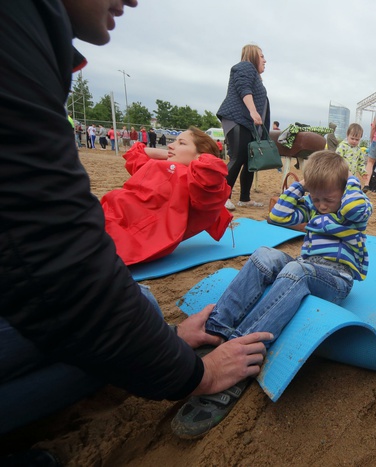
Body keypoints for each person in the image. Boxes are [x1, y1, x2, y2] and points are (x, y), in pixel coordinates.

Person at [0, 0, 272, 437]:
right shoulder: (19, 46)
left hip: (120, 231)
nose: (133, 2)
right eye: (176, 140)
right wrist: (190, 374)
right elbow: (55, 264)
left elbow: (210, 185)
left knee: (136, 310)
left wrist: (196, 158)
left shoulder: (193, 173)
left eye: (184, 141)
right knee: (130, 316)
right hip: (103, 224)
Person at [172, 151, 373, 438]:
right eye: (316, 199)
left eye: (328, 199)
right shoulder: (314, 202)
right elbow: (278, 216)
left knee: (296, 271)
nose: (321, 206)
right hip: (307, 264)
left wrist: (350, 180)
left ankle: (241, 352)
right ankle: (217, 331)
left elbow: (353, 209)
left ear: (344, 188)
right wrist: (303, 186)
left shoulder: (354, 205)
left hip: (336, 278)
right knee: (264, 254)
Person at [101, 127, 233, 266]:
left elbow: (212, 169)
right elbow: (135, 153)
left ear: (200, 155)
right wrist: (170, 154)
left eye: (181, 143)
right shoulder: (159, 166)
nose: (171, 145)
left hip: (127, 231)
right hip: (108, 212)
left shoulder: (199, 182)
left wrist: (197, 158)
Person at [217, 44, 269, 210]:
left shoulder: (254, 74)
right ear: (253, 55)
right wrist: (253, 111)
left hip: (248, 123)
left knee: (249, 161)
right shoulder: (245, 66)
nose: (265, 60)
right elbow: (243, 88)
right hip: (237, 119)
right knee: (238, 157)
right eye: (261, 56)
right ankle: (221, 197)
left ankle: (244, 198)